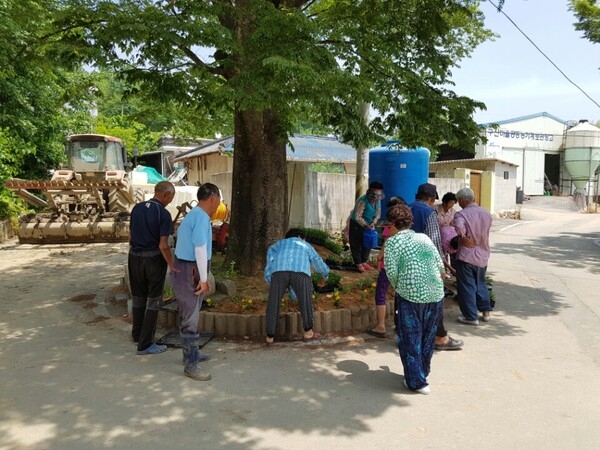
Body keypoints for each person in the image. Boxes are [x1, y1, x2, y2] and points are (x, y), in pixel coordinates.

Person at [384, 204, 445, 395]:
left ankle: (416, 382)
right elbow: (441, 268)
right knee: (427, 337)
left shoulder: (392, 243)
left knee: (410, 338)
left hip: (410, 296)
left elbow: (392, 274)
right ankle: (422, 373)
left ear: (393, 224)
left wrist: (403, 287)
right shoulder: (424, 238)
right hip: (435, 294)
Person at [171, 182, 221, 381]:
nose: (219, 205)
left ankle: (190, 355)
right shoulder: (200, 217)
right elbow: (200, 249)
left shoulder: (194, 215)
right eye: (218, 201)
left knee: (191, 312)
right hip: (190, 271)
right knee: (190, 316)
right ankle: (191, 364)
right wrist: (203, 278)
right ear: (213, 198)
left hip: (186, 268)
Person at [410, 183, 463, 351]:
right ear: (432, 199)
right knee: (435, 300)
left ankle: (406, 334)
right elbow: (434, 242)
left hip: (408, 263)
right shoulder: (429, 213)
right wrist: (442, 268)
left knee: (409, 300)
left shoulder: (405, 209)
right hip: (425, 264)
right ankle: (440, 337)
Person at [128, 181, 177, 355]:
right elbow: (163, 245)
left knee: (138, 297)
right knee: (154, 301)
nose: (171, 200)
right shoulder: (162, 213)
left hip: (134, 257)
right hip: (153, 260)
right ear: (166, 194)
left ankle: (137, 334)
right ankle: (145, 344)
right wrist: (172, 265)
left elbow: (131, 235)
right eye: (172, 196)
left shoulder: (137, 208)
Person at [264, 228, 330, 344]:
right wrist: (325, 273)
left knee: (273, 302)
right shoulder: (304, 244)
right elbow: (316, 259)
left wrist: (271, 281)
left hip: (279, 271)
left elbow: (270, 261)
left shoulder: (278, 244)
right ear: (300, 236)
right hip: (300, 271)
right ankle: (308, 332)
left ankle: (270, 336)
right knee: (306, 300)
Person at [452, 187, 493, 325]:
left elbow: (459, 228)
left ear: (462, 200)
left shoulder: (461, 215)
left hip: (467, 255)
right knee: (480, 283)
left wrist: (462, 237)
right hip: (483, 254)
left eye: (458, 201)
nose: (458, 204)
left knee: (467, 285)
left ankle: (470, 316)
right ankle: (486, 311)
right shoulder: (486, 213)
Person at [367, 196, 406, 338]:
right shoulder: (407, 226)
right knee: (401, 295)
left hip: (388, 265)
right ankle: (400, 325)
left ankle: (381, 326)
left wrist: (379, 257)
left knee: (381, 293)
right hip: (402, 266)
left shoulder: (390, 226)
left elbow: (386, 242)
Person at [349, 181, 384, 272]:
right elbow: (358, 216)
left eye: (377, 197)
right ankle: (358, 264)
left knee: (368, 243)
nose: (375, 199)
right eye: (374, 197)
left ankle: (364, 262)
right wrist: (365, 225)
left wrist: (373, 223)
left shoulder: (378, 201)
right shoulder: (363, 200)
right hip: (357, 224)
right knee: (356, 244)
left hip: (369, 224)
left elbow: (378, 213)